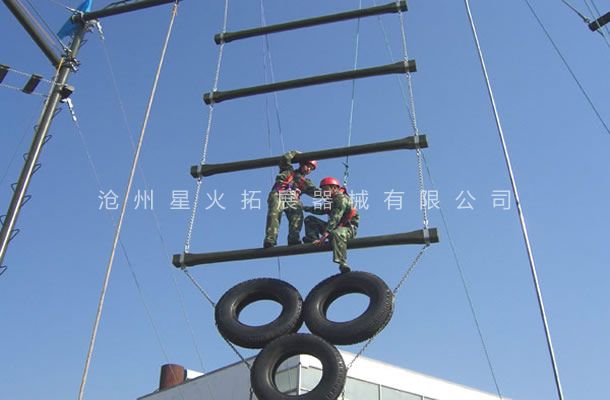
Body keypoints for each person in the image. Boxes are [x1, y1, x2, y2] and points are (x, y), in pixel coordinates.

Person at [263, 150, 320, 248]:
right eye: (307, 166)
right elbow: (285, 159)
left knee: (297, 213)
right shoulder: (288, 170)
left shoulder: (305, 182)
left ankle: (293, 238)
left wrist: (333, 193)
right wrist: (296, 153)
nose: (308, 170)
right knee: (275, 214)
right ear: (302, 164)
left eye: (311, 169)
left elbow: (316, 192)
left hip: (292, 198)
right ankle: (270, 239)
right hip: (279, 193)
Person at [303, 177, 359, 273]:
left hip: (347, 228)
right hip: (333, 228)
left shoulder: (341, 199)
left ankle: (342, 262)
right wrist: (305, 208)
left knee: (335, 233)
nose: (323, 192)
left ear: (333, 188)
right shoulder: (330, 201)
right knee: (309, 219)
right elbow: (321, 210)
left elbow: (335, 218)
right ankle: (312, 238)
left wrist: (325, 235)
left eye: (325, 189)